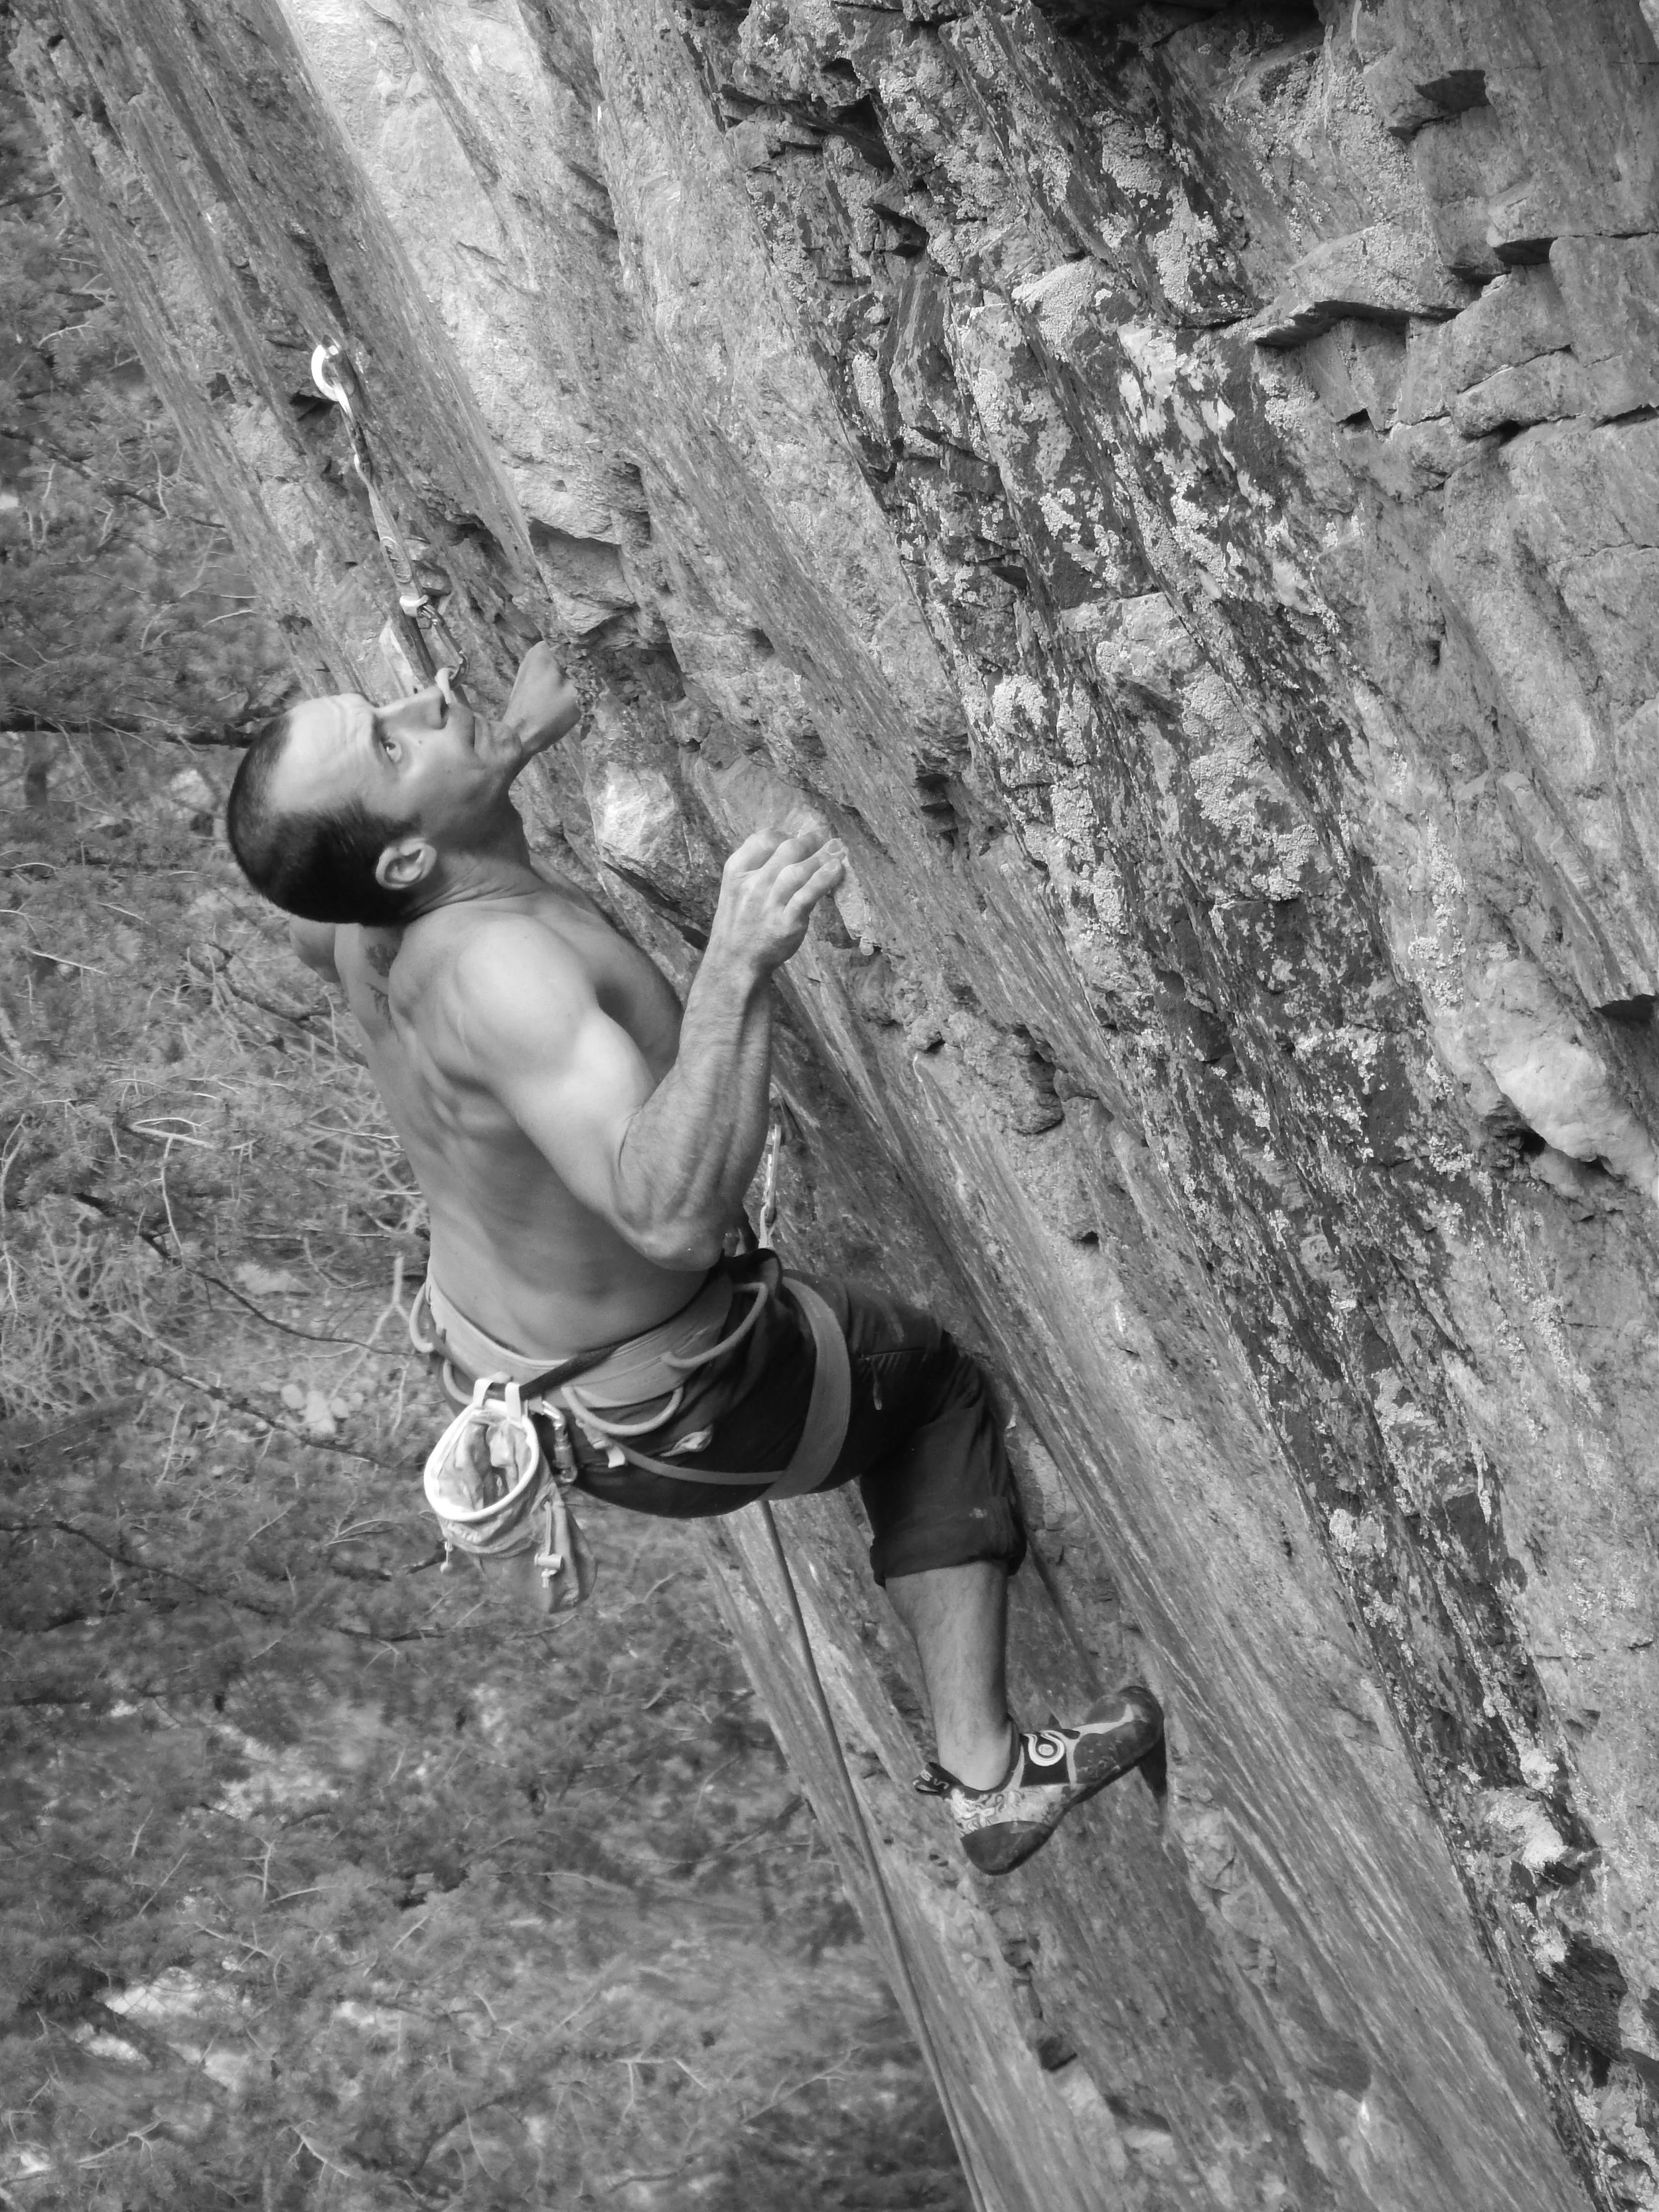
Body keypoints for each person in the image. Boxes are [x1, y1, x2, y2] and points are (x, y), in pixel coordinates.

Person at [224, 641, 1161, 1874]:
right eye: (395, 739)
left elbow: (311, 892)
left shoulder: (363, 933)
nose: (426, 697)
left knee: (877, 1369)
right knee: (927, 1385)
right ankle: (987, 1777)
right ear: (404, 858)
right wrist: (735, 964)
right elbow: (668, 1217)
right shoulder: (501, 967)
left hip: (526, 1373)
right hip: (675, 1406)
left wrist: (491, 754)